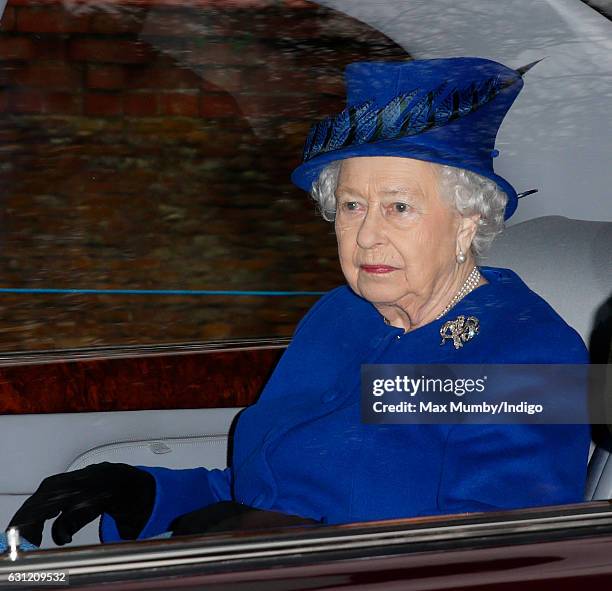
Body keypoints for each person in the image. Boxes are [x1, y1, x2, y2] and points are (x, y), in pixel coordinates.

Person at [8, 57, 590, 547]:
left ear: (468, 222)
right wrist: (152, 496)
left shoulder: (531, 357)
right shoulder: (340, 316)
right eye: (352, 206)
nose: (365, 236)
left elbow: (496, 560)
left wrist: (282, 544)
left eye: (399, 207)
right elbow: (264, 487)